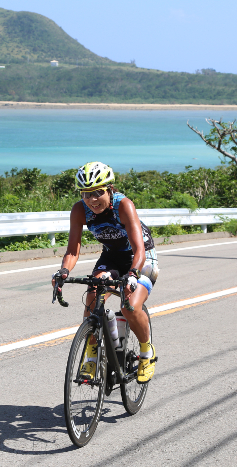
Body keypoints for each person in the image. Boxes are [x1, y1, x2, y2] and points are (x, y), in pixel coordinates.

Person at [52, 162, 159, 383]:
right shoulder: (80, 210)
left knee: (129, 305)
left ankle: (147, 353)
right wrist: (63, 271)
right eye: (86, 194)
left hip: (141, 256)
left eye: (98, 193)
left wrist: (132, 274)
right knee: (93, 293)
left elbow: (139, 250)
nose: (92, 200)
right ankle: (91, 354)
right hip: (112, 256)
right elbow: (73, 250)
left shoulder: (123, 205)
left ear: (110, 189)